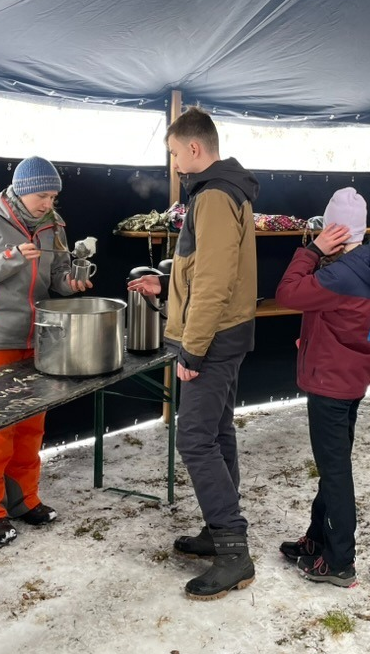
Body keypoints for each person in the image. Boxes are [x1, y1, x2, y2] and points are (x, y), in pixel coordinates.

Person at [128, 107, 259, 600]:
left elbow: (215, 281)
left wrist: (194, 349)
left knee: (195, 440)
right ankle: (217, 530)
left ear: (195, 148)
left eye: (175, 154)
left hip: (214, 338)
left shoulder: (215, 195)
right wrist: (165, 287)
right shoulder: (222, 191)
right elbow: (204, 271)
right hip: (225, 332)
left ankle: (233, 551)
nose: (174, 163)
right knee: (217, 432)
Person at [0, 156, 92, 545]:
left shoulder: (54, 225)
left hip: (40, 338)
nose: (48, 204)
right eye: (42, 196)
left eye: (53, 197)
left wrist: (71, 283)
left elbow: (57, 276)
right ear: (21, 190)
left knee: (31, 427)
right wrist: (8, 260)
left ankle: (24, 500)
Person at [276, 187, 370, 587]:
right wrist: (325, 338)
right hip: (352, 376)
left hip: (329, 383)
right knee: (333, 464)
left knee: (335, 471)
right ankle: (317, 538)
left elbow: (287, 294)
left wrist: (311, 250)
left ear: (333, 231)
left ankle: (340, 560)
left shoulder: (338, 273)